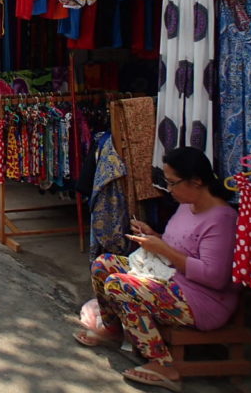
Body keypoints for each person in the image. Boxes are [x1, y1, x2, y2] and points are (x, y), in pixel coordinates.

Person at [74, 146, 239, 391]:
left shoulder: (221, 219)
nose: (169, 189)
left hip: (201, 300)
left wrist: (162, 249)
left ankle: (163, 365)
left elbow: (214, 277)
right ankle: (112, 328)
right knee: (103, 265)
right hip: (168, 275)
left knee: (119, 286)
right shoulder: (187, 205)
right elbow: (179, 245)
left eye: (173, 183)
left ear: (196, 181)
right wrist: (154, 236)